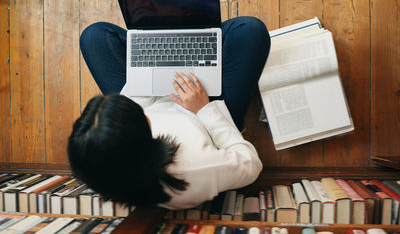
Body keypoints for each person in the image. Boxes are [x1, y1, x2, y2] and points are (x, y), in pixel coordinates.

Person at [68, 16, 271, 210]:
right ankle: (186, 35)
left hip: (153, 99)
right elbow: (250, 164)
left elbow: (135, 105)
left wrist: (151, 74)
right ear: (144, 130)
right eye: (139, 116)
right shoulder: (198, 168)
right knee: (250, 31)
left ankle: (171, 42)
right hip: (204, 111)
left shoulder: (102, 166)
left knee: (94, 36)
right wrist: (204, 109)